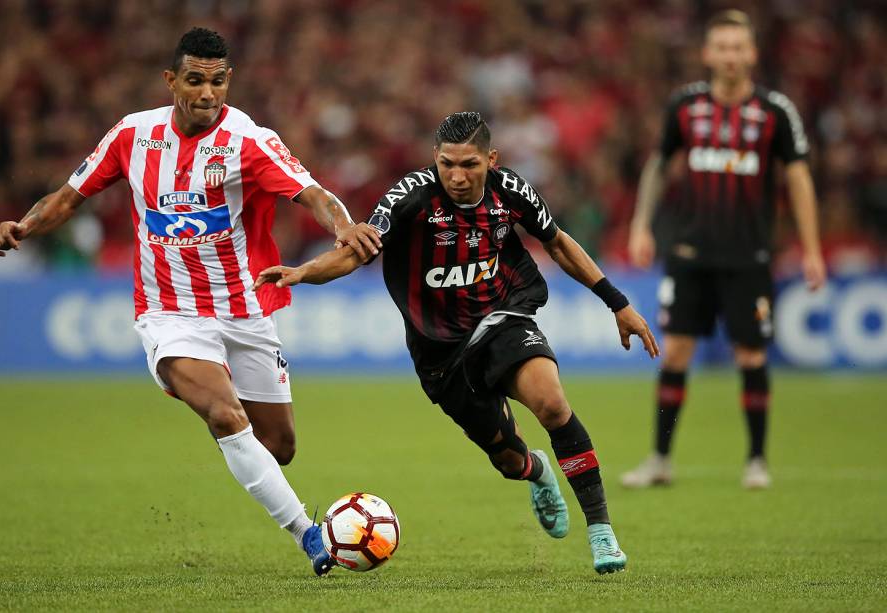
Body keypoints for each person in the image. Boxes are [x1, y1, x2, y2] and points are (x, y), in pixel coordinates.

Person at [0, 27, 381, 576]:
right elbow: (68, 196)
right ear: (171, 80)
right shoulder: (133, 136)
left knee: (279, 446)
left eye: (218, 81)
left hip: (245, 309)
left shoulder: (249, 140)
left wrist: (345, 227)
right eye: (195, 80)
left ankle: (224, 421)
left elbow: (313, 193)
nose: (207, 93)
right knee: (226, 413)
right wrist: (25, 226)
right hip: (168, 312)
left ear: (228, 81)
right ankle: (308, 534)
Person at [253, 112, 660, 574]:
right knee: (508, 460)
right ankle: (537, 471)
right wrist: (304, 272)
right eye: (447, 164)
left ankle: (601, 532)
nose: (457, 176)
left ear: (491, 159)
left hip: (503, 316)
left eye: (469, 164)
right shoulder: (410, 198)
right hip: (440, 352)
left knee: (550, 404)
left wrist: (617, 302)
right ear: (434, 159)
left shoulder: (512, 191)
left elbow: (559, 243)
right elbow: (354, 253)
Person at [622, 10, 826, 490]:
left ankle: (756, 461)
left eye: (739, 47)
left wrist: (812, 248)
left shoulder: (776, 112)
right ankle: (660, 459)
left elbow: (798, 179)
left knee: (751, 357)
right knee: (675, 353)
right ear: (708, 54)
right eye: (723, 47)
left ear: (751, 54)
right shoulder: (685, 107)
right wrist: (640, 225)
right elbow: (657, 165)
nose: (731, 56)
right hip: (689, 253)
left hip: (748, 256)